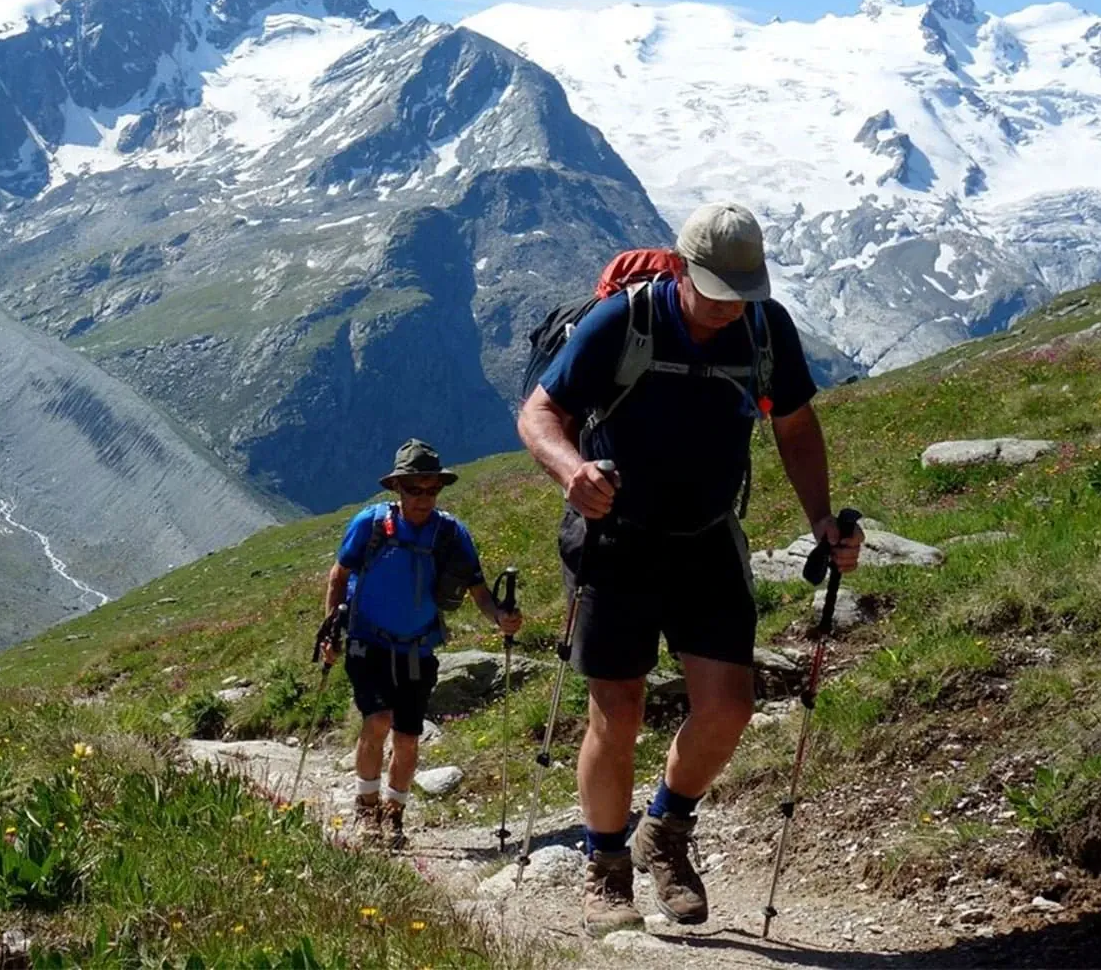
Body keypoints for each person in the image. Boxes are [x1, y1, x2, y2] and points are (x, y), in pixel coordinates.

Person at [516, 202, 864, 936]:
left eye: (742, 293)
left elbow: (795, 426)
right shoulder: (623, 323)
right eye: (714, 291)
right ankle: (607, 870)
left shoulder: (767, 329)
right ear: (679, 268)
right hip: (616, 536)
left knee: (729, 706)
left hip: (707, 535)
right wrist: (571, 470)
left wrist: (821, 519)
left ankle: (665, 830)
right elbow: (539, 414)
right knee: (619, 711)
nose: (728, 308)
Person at [322, 439, 518, 849]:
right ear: (398, 489)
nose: (424, 498)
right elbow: (339, 576)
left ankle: (393, 817)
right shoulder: (371, 525)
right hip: (368, 642)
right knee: (377, 720)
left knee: (408, 736)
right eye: (415, 489)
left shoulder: (450, 533)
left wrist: (500, 616)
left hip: (417, 650)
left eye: (432, 490)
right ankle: (366, 810)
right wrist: (331, 630)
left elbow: (478, 590)